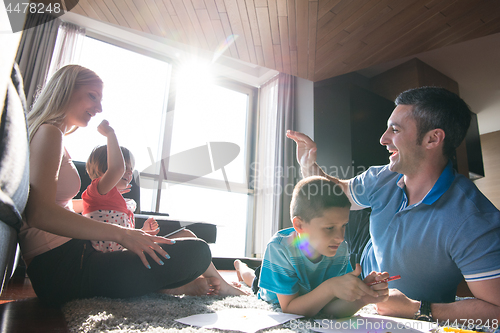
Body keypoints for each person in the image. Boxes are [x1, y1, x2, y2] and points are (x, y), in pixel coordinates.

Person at [19, 65, 245, 306]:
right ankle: (171, 287)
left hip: (74, 257)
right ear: (65, 90)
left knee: (192, 245)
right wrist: (123, 234)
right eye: (92, 96)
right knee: (197, 252)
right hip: (63, 267)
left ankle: (170, 287)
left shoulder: (52, 137)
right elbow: (39, 212)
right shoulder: (49, 132)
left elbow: (55, 204)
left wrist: (118, 225)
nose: (99, 108)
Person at [287, 87, 500, 321]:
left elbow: (496, 310)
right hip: (360, 268)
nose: (383, 139)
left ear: (433, 139)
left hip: (408, 312)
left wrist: (417, 308)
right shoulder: (383, 177)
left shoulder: (473, 218)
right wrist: (308, 166)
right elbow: (340, 193)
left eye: (395, 129)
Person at [236, 176, 390, 317]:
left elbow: (329, 309)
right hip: (276, 294)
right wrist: (330, 287)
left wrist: (363, 296)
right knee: (252, 279)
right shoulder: (279, 248)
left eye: (343, 226)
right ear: (299, 225)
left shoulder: (339, 248)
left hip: (311, 292)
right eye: (330, 228)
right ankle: (240, 266)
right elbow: (289, 309)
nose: (341, 237)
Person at [82, 120, 160, 252]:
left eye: (131, 168)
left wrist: (143, 231)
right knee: (187, 238)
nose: (130, 172)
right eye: (125, 167)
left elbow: (125, 238)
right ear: (102, 169)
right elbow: (116, 169)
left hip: (123, 252)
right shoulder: (97, 190)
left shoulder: (118, 202)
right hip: (111, 258)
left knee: (187, 236)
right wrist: (110, 134)